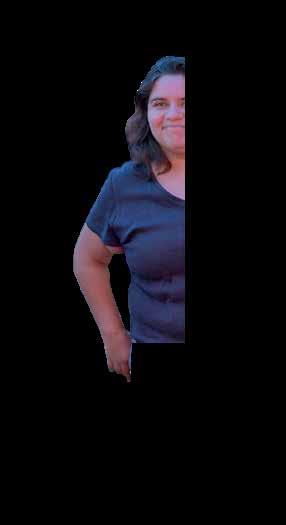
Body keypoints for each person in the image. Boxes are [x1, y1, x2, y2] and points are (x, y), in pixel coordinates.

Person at [73, 56, 185, 383]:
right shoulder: (124, 186)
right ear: (146, 112)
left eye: (185, 102)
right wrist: (113, 335)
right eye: (160, 103)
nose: (174, 114)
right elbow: (87, 259)